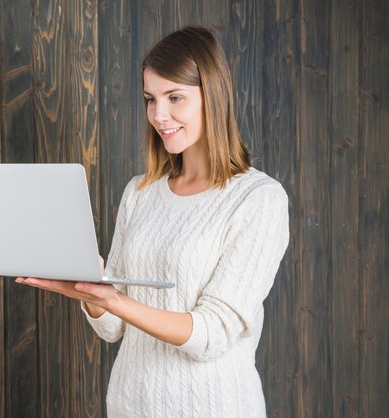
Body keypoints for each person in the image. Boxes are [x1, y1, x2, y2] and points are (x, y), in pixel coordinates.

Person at [16, 26, 289, 418]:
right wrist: (92, 293)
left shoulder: (258, 199)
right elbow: (113, 328)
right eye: (150, 99)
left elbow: (213, 334)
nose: (159, 116)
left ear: (212, 96)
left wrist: (117, 300)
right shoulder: (141, 192)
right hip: (131, 406)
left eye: (174, 97)